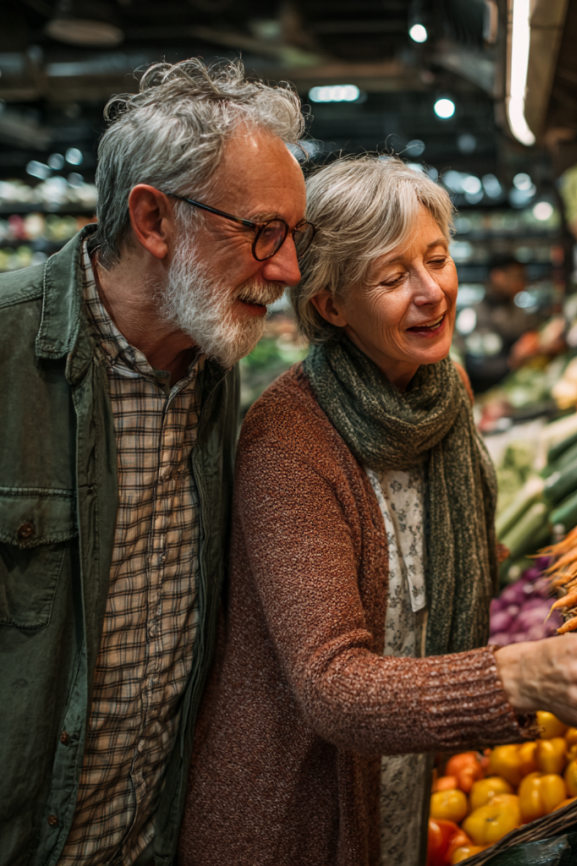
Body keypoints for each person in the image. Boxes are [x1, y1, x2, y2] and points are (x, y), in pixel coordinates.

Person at [178, 156, 577, 866]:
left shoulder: (443, 393)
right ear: (330, 304)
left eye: (438, 259)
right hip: (295, 814)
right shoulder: (288, 440)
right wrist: (519, 675)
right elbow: (330, 686)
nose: (431, 293)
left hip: (402, 777)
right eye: (393, 278)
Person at [0, 59, 309, 865]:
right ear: (154, 220)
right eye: (263, 232)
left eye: (295, 238)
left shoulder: (211, 355)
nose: (288, 271)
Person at [461, 254, 539, 394]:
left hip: (520, 389)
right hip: (485, 394)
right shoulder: (474, 314)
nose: (522, 285)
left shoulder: (519, 311)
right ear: (497, 276)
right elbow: (475, 365)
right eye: (517, 277)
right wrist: (512, 361)